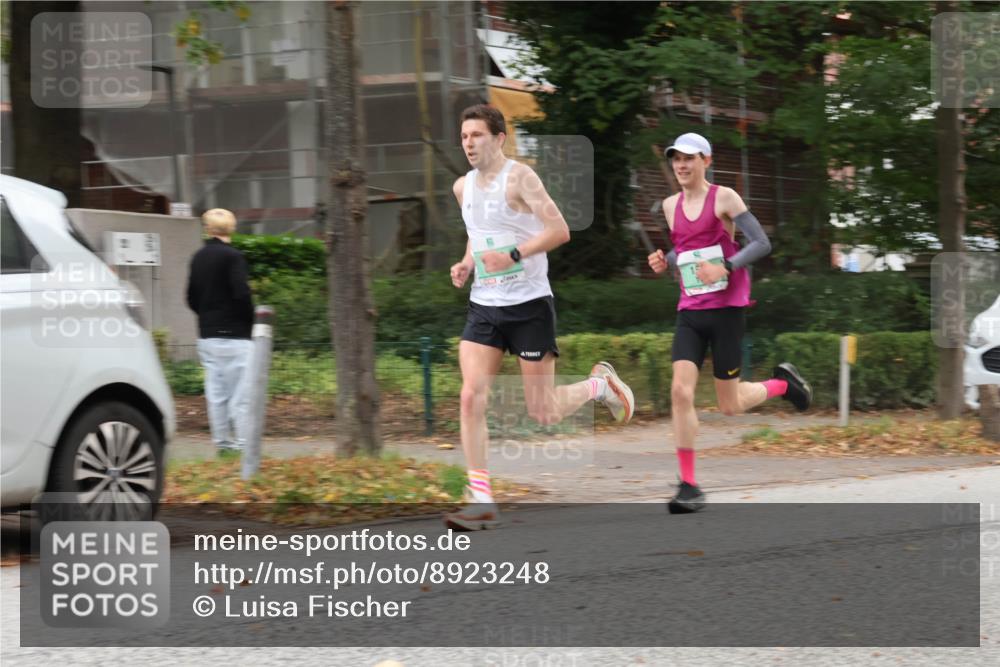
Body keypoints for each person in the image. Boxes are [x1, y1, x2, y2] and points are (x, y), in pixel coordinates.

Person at [445, 104, 635, 531]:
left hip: (529, 305)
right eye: (464, 137)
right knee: (470, 396)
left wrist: (512, 255)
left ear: (499, 138)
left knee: (543, 411)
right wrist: (467, 263)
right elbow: (478, 234)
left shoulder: (521, 178)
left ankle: (599, 386)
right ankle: (481, 499)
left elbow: (559, 230)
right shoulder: (462, 187)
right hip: (485, 306)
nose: (469, 143)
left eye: (477, 135)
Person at [648, 132, 812, 514]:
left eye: (689, 158)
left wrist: (726, 265)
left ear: (706, 161)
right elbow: (685, 249)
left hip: (726, 311)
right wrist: (664, 261)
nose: (681, 165)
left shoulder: (725, 198)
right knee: (680, 392)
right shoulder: (671, 205)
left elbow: (761, 243)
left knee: (730, 405)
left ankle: (782, 384)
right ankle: (688, 485)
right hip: (690, 311)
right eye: (676, 158)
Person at [186, 208, 255, 457]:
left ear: (207, 229)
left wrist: (207, 315)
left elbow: (191, 297)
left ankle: (223, 446)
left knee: (216, 394)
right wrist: (250, 321)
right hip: (236, 335)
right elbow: (242, 294)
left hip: (208, 335)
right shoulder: (233, 257)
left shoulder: (198, 257)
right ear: (231, 228)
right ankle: (245, 447)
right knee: (241, 395)